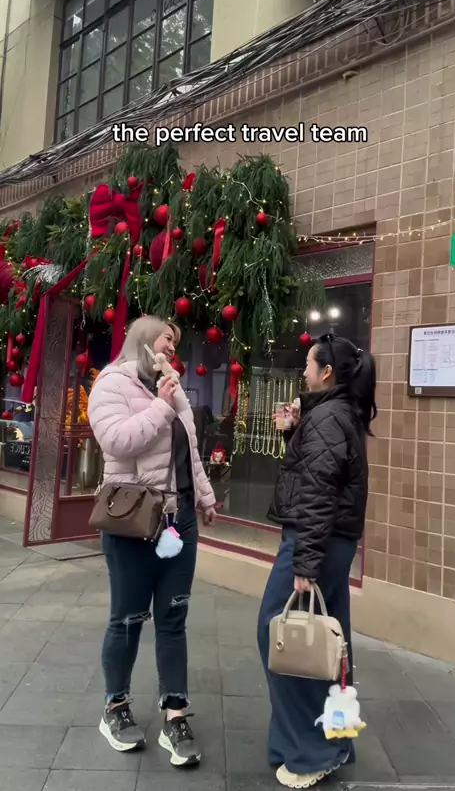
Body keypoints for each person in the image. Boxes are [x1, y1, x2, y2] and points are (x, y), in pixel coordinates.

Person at [88, 316, 218, 766]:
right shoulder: (111, 384)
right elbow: (116, 441)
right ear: (144, 341)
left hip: (178, 520)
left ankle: (175, 713)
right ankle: (115, 707)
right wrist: (161, 406)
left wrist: (204, 496)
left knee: (173, 616)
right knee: (127, 618)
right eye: (167, 340)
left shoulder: (171, 386)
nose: (172, 349)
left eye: (176, 343)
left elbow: (189, 451)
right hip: (133, 520)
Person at [258, 333, 376, 789]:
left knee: (284, 635)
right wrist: (294, 433)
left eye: (309, 363)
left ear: (326, 372)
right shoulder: (335, 413)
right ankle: (334, 737)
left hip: (315, 542)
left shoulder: (328, 417)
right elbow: (319, 473)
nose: (303, 370)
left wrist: (305, 562)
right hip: (331, 542)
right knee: (331, 644)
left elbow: (319, 493)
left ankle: (311, 752)